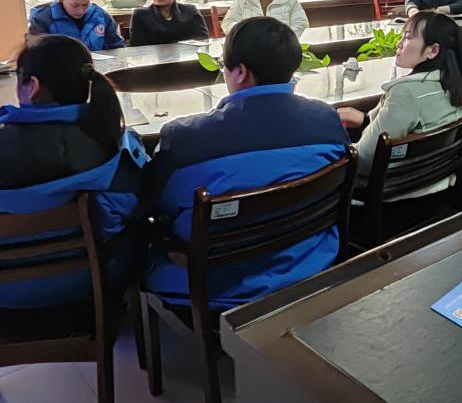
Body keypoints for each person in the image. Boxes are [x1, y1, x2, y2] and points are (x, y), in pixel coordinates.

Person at [144, 17, 350, 310]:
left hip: (215, 284)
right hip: (312, 261)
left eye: (223, 64)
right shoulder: (326, 119)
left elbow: (156, 203)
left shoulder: (184, 140)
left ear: (240, 72)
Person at [0, 35, 147, 309]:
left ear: (32, 86)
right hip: (95, 278)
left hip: (6, 292)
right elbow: (129, 208)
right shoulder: (116, 142)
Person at [338, 11, 462, 192]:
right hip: (437, 182)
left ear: (433, 50)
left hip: (397, 192)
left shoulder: (406, 93)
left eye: (408, 37)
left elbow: (364, 160)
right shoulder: (457, 84)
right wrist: (365, 119)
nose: (399, 43)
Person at [28, 0, 125, 50]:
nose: (81, 11)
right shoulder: (42, 18)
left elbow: (117, 47)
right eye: (75, 5)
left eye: (85, 4)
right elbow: (36, 54)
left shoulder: (101, 16)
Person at [128, 0, 209, 46]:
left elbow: (203, 39)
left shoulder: (190, 11)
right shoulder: (141, 15)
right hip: (152, 56)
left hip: (187, 56)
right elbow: (136, 47)